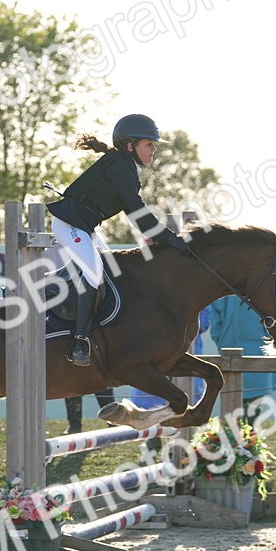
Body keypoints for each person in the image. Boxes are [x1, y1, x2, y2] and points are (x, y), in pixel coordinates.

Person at [46, 113, 189, 366]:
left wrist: (167, 238)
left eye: (154, 144)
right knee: (94, 274)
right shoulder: (121, 166)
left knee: (107, 267)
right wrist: (170, 238)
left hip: (83, 227)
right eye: (149, 144)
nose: (154, 149)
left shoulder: (125, 165)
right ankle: (80, 341)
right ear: (130, 145)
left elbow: (137, 215)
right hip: (69, 225)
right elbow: (137, 213)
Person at [208, 294, 276, 417]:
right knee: (253, 414)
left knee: (229, 414)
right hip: (259, 359)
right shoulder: (263, 291)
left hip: (229, 355)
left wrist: (223, 343)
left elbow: (215, 328)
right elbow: (273, 326)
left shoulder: (223, 292)